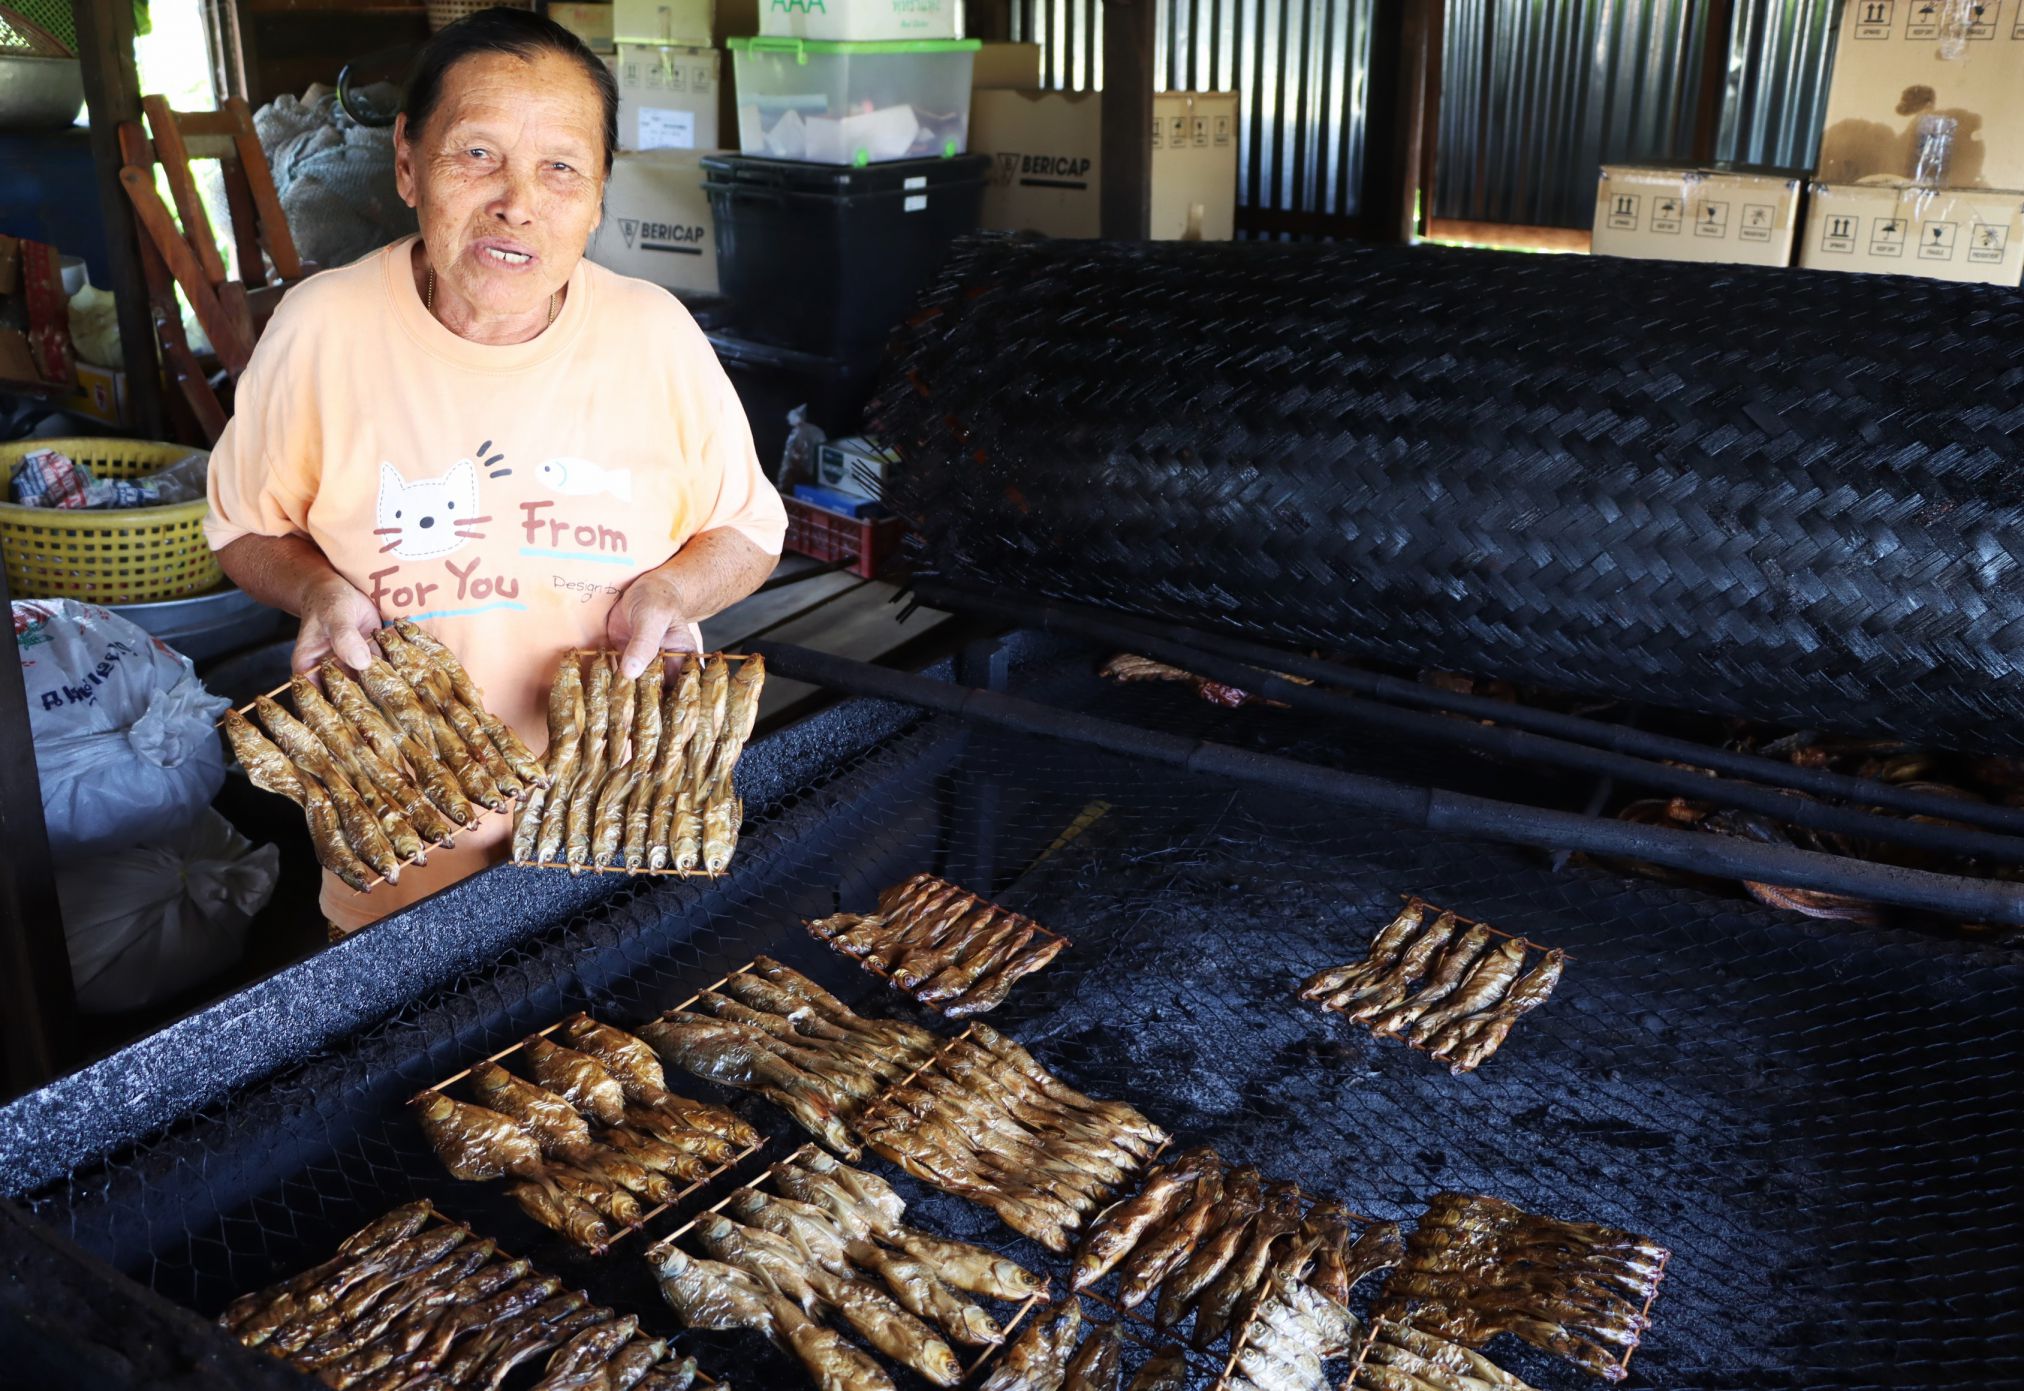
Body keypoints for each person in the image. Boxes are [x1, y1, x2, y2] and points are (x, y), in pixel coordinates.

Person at [205, 7, 786, 937]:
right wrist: (317, 592)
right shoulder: (321, 329)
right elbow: (244, 526)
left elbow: (748, 531)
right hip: (396, 855)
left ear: (598, 196)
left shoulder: (654, 336)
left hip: (617, 847)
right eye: (477, 154)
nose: (519, 202)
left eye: (561, 167)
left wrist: (673, 592)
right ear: (407, 162)